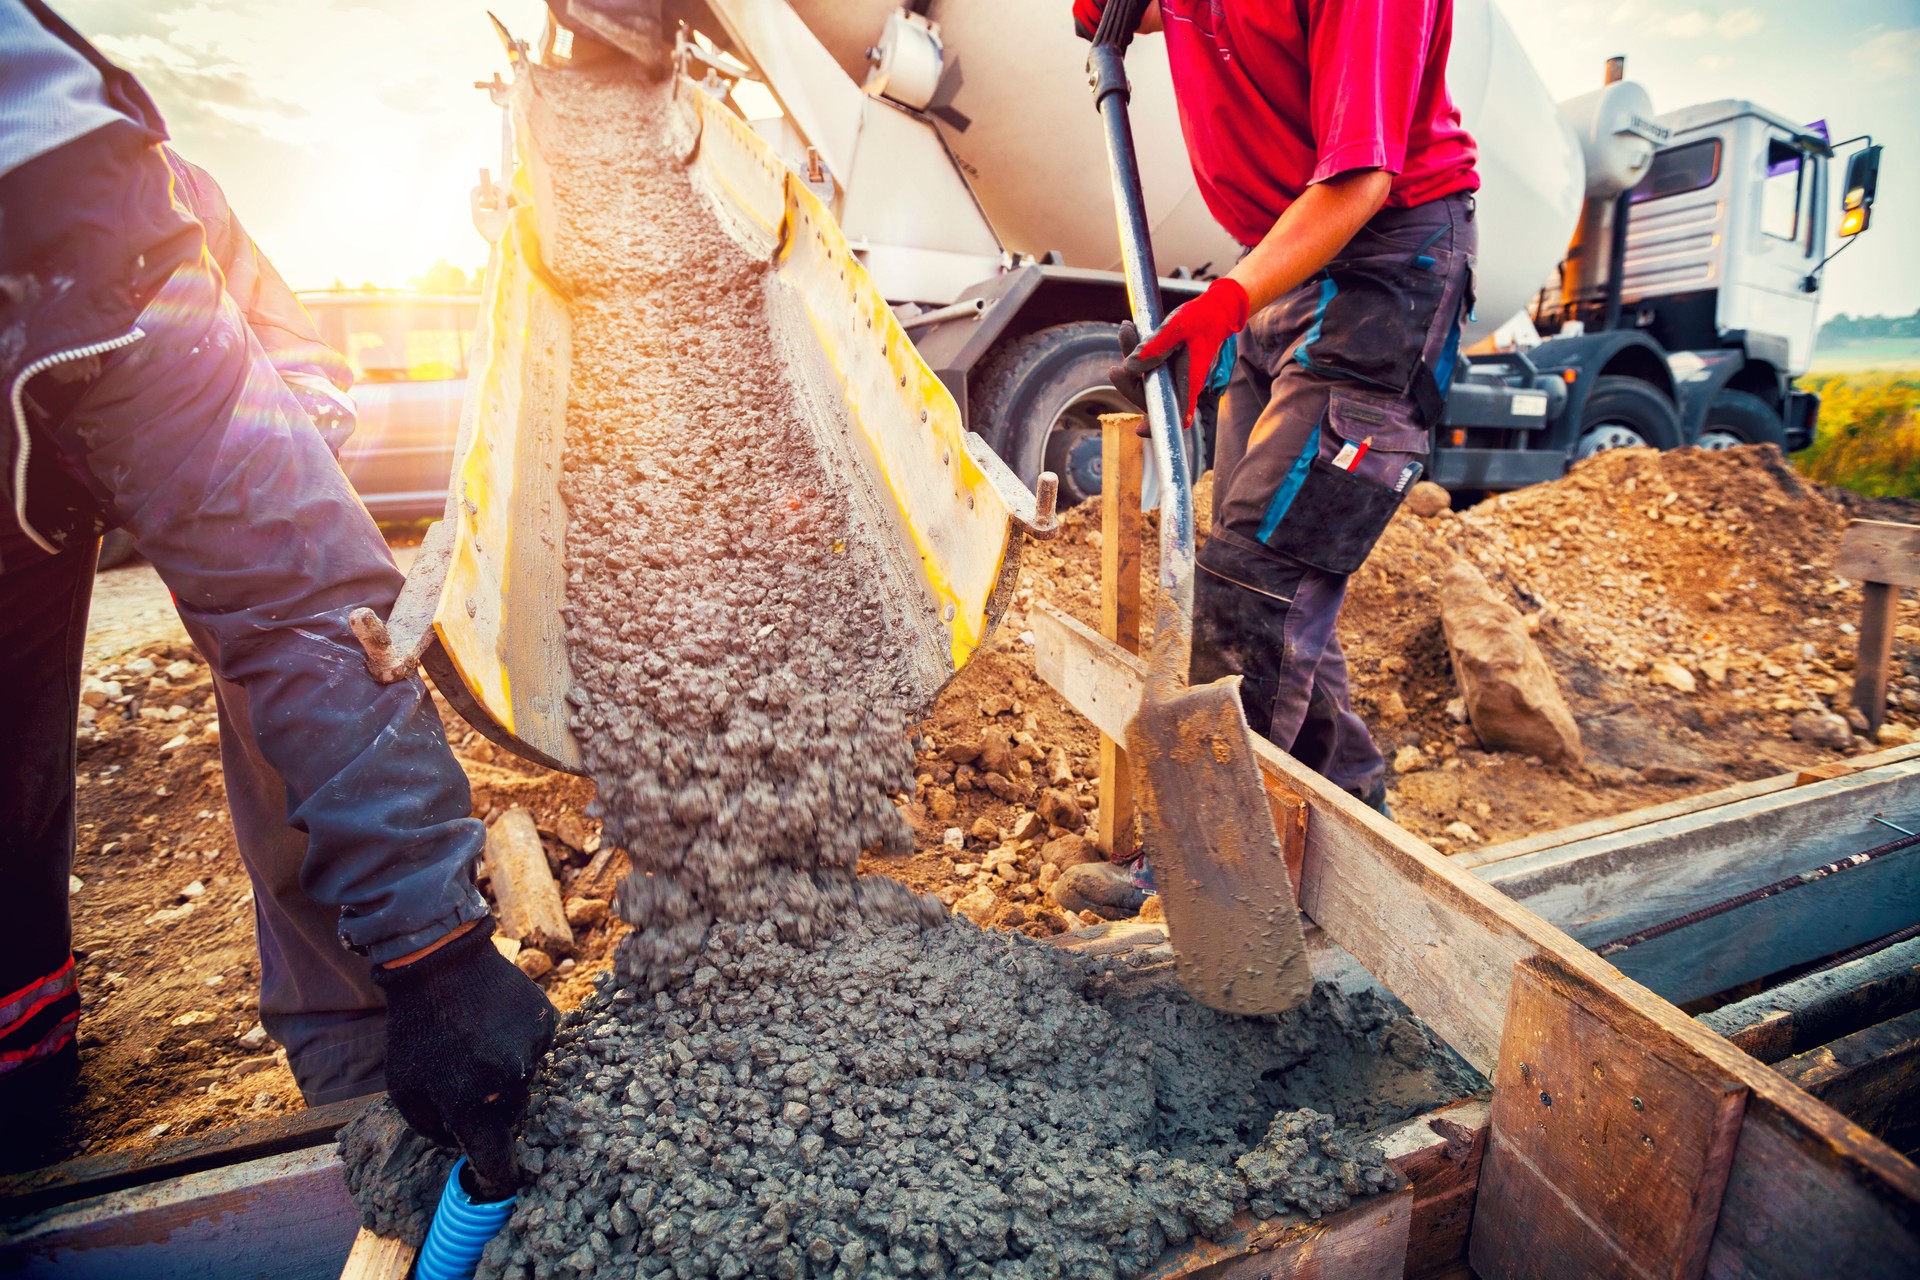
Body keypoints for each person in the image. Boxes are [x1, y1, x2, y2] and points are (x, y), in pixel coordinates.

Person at [0, 0, 555, 1190]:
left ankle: (355, 1056)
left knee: (277, 677)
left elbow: (298, 600)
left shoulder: (108, 220)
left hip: (104, 357)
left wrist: (438, 946)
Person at [1078, 0, 1478, 813]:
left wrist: (1226, 302)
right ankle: (1353, 829)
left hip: (1385, 260)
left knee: (1251, 582)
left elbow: (1362, 178)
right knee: (1269, 583)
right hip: (1281, 258)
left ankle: (1210, 870)